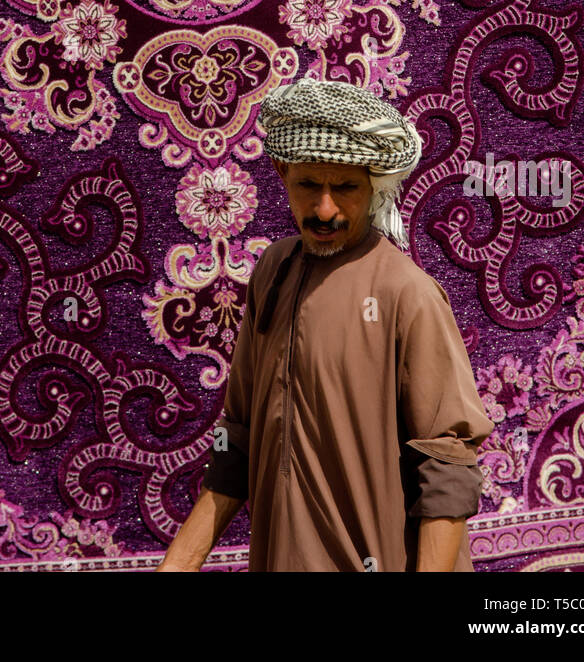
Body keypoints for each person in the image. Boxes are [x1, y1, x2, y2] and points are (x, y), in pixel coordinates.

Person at [156, 78, 494, 572]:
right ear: (281, 171)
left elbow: (446, 467)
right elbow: (237, 439)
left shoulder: (408, 296)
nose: (326, 209)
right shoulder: (273, 271)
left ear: (373, 184)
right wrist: (179, 563)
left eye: (347, 188)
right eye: (309, 185)